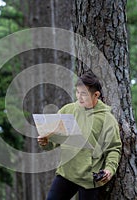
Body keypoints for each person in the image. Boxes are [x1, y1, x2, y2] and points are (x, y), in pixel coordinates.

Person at [37, 69, 122, 200]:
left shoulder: (107, 119)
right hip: (66, 173)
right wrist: (45, 142)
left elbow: (114, 148)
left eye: (84, 94)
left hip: (90, 179)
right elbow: (53, 140)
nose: (79, 97)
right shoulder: (67, 110)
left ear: (96, 95)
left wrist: (109, 169)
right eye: (77, 92)